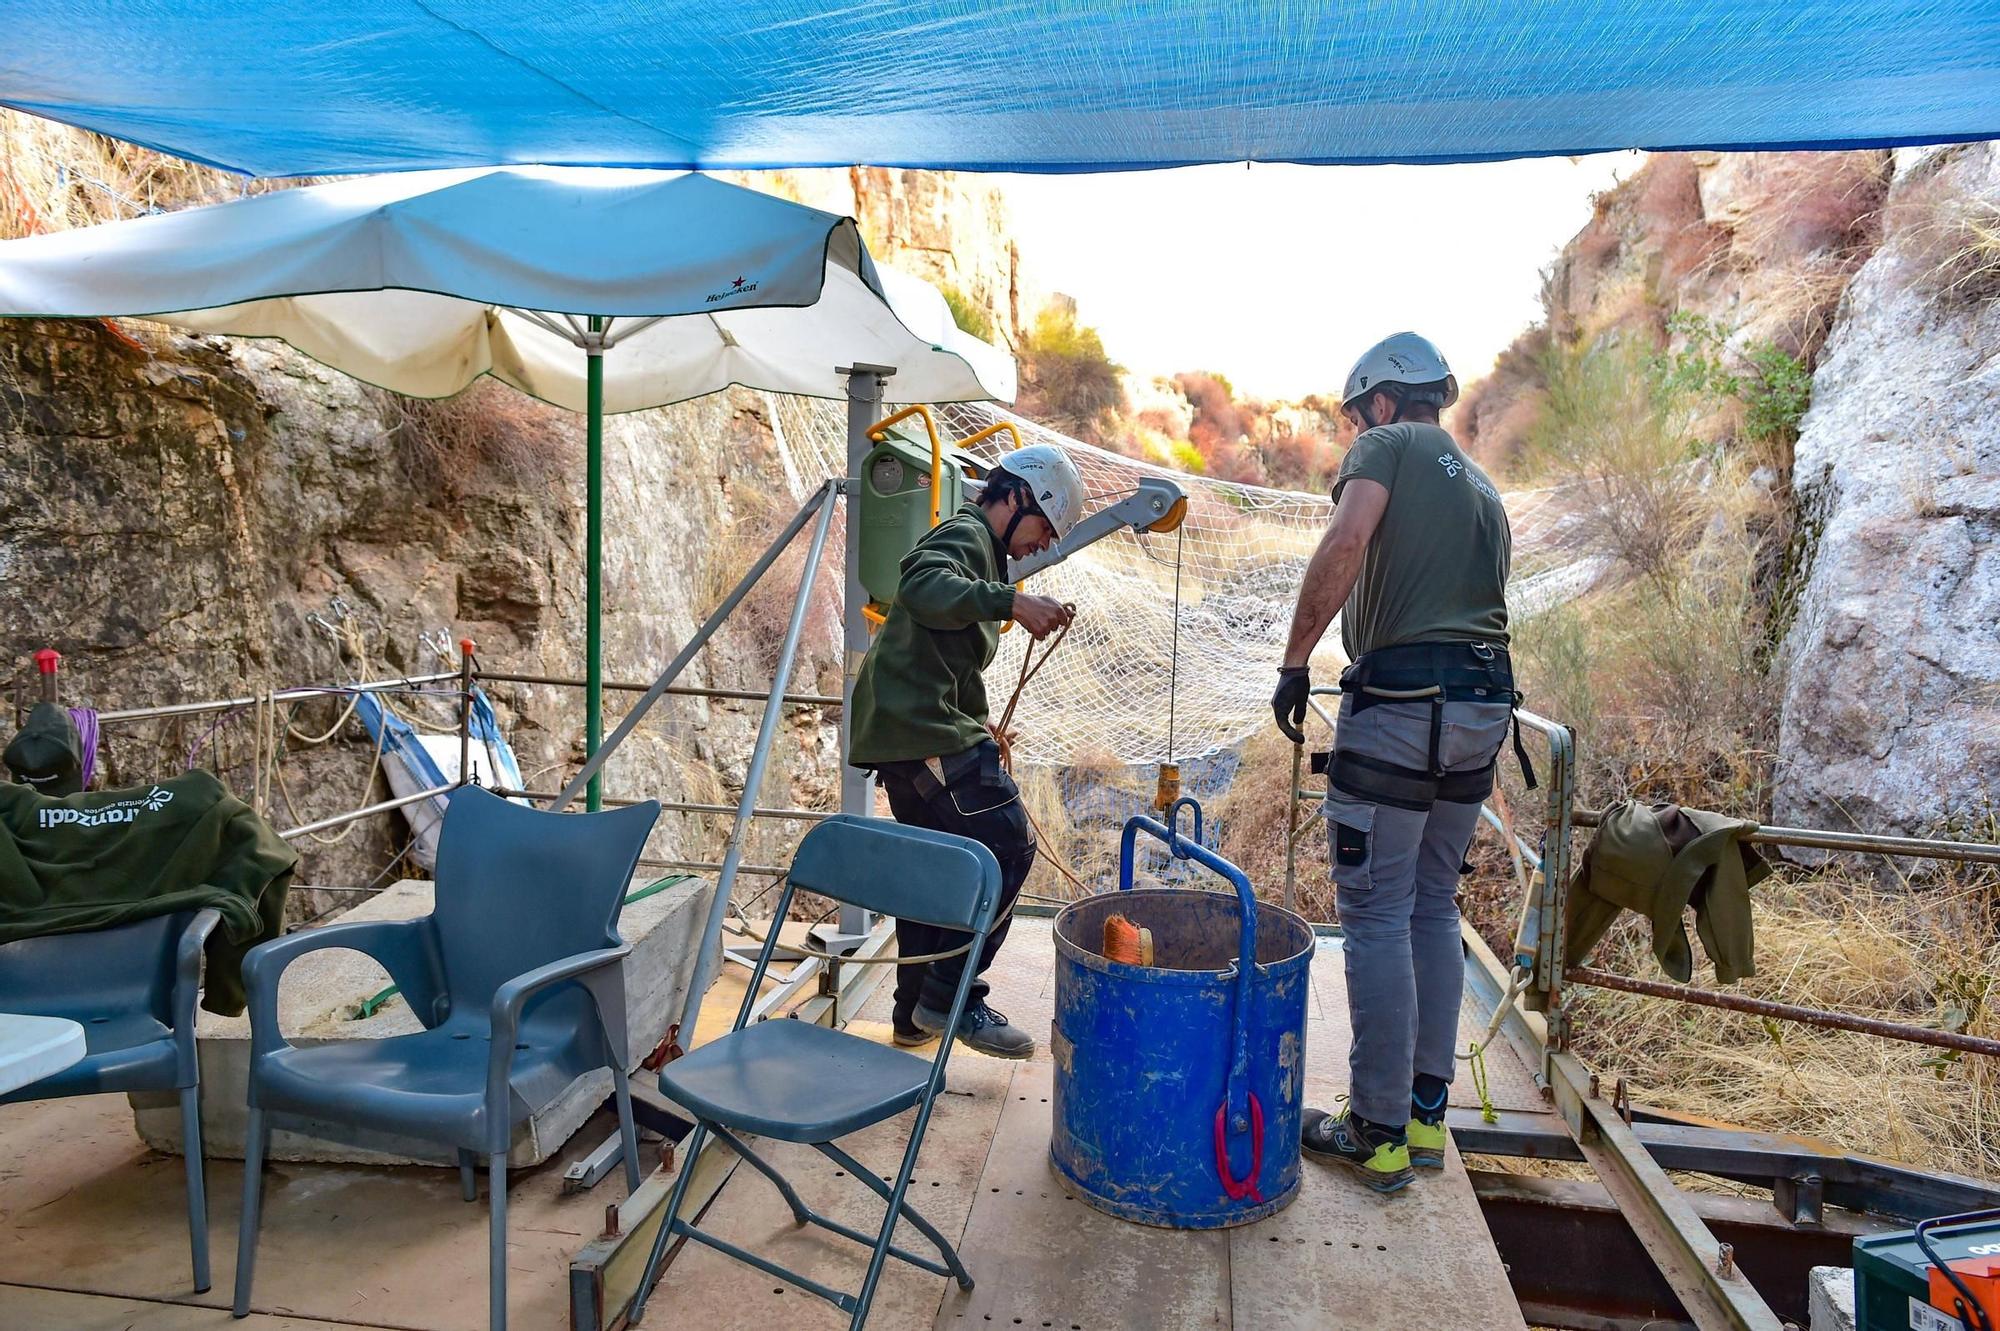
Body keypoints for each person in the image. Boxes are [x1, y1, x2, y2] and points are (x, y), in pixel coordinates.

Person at [1272, 332, 1519, 1193]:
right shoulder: (1484, 488)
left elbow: (1346, 542)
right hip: (1484, 705)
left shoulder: (1386, 446)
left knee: (1375, 909)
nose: (1355, 431)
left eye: (1356, 416)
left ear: (1381, 400)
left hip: (1407, 702)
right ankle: (1420, 1121)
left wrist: (1295, 660)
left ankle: (1373, 1132)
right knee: (1431, 901)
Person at [848, 443, 1083, 1058]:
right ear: (1019, 497)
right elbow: (921, 582)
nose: (1042, 544)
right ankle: (952, 997)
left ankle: (911, 1014)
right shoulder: (968, 533)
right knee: (1007, 842)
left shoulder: (983, 553)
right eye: (1044, 528)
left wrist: (979, 722)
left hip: (910, 728)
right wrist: (1012, 601)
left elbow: (940, 648)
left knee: (936, 871)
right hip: (921, 728)